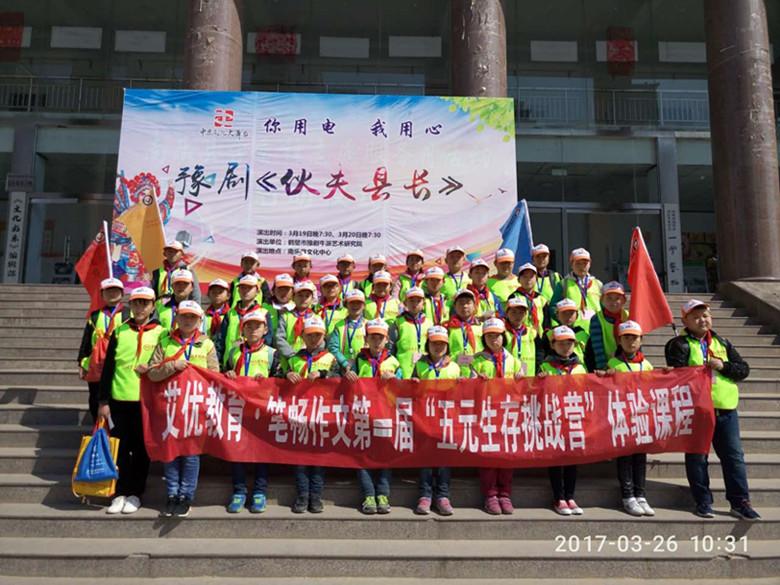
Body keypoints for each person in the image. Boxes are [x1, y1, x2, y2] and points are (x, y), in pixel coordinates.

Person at [665, 299, 759, 520]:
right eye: (696, 317)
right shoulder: (678, 344)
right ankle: (703, 501)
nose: (702, 320)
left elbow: (743, 369)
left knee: (734, 457)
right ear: (685, 321)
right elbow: (678, 375)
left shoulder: (722, 342)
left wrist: (722, 366)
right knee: (697, 458)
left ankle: (740, 502)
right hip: (697, 410)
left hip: (726, 409)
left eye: (705, 315)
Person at [147, 300, 219, 518]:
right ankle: (172, 493)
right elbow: (152, 373)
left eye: (192, 317)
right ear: (176, 318)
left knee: (190, 455)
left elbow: (215, 376)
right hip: (169, 408)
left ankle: (186, 495)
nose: (188, 320)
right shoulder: (165, 342)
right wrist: (172, 366)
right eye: (184, 316)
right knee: (170, 453)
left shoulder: (207, 344)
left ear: (199, 320)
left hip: (196, 409)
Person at [96, 286, 163, 515]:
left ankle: (136, 493)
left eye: (145, 303)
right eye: (136, 303)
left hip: (146, 403)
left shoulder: (162, 333)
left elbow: (165, 365)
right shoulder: (120, 330)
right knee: (121, 448)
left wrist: (151, 368)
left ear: (153, 306)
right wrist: (103, 401)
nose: (140, 307)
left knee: (142, 449)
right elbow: (108, 368)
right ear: (130, 305)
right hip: (119, 400)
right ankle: (120, 493)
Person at [223, 310, 281, 514]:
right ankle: (239, 491)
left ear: (265, 329)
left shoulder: (273, 353)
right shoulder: (234, 352)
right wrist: (228, 374)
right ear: (243, 329)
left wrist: (268, 382)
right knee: (236, 451)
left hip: (262, 410)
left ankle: (259, 491)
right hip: (237, 410)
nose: (253, 330)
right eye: (249, 326)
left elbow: (280, 381)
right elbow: (222, 375)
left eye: (258, 326)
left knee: (261, 452)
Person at [284, 315, 341, 513]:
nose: (314, 339)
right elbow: (277, 377)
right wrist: (287, 374)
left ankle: (315, 497)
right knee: (300, 460)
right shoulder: (294, 359)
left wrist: (324, 374)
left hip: (322, 416)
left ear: (324, 336)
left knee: (318, 461)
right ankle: (302, 496)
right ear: (302, 336)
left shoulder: (331, 358)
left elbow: (341, 377)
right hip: (298, 415)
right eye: (309, 335)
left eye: (317, 335)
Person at [345, 319, 402, 514]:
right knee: (362, 455)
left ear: (386, 340)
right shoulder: (357, 360)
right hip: (363, 414)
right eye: (373, 337)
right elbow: (345, 380)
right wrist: (348, 376)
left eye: (380, 338)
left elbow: (403, 385)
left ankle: (383, 493)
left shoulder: (394, 361)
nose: (377, 342)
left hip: (386, 414)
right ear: (366, 339)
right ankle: (368, 494)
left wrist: (395, 379)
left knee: (386, 455)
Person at [472, 318, 524, 515]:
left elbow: (523, 387)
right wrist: (476, 380)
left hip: (508, 414)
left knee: (507, 456)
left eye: (498, 335)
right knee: (488, 456)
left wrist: (521, 380)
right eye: (490, 336)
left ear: (504, 337)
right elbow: (466, 385)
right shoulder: (476, 360)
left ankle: (505, 493)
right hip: (486, 414)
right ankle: (491, 495)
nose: (494, 339)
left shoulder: (514, 360)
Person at [604, 320, 656, 517]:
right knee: (625, 457)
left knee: (640, 457)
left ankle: (640, 495)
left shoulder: (647, 364)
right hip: (623, 418)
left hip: (642, 417)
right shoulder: (613, 363)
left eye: (634, 338)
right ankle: (628, 496)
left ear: (641, 340)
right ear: (619, 340)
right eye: (626, 338)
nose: (630, 342)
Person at [538, 325, 588, 516]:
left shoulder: (580, 368)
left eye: (569, 343)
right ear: (553, 345)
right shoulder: (545, 367)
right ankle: (559, 497)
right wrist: (540, 380)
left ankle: (570, 496)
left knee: (572, 459)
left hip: (574, 418)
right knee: (556, 459)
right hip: (554, 420)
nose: (565, 347)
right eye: (561, 343)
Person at [411, 325, 459, 515]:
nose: (438, 347)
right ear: (427, 345)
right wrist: (413, 384)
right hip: (425, 420)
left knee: (444, 460)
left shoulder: (454, 367)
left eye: (442, 344)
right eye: (434, 343)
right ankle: (425, 495)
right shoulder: (420, 365)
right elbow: (410, 391)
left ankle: (443, 496)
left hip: (447, 420)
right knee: (425, 459)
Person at [77, 277, 126, 422]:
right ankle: (97, 428)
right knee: (95, 398)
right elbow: (86, 340)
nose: (112, 293)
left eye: (115, 290)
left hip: (119, 363)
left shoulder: (128, 314)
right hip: (97, 364)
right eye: (108, 291)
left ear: (122, 293)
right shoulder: (95, 315)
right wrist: (81, 361)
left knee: (116, 400)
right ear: (102, 294)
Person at [218, 274, 263, 366]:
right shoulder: (230, 313)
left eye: (249, 288)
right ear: (238, 290)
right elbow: (220, 339)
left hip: (255, 363)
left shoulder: (263, 313)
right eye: (242, 288)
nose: (245, 291)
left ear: (257, 291)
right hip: (230, 363)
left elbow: (268, 340)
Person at [584, 281, 629, 372]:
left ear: (624, 300)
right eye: (609, 298)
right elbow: (598, 348)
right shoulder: (596, 319)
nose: (613, 302)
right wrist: (603, 368)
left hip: (626, 365)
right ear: (601, 300)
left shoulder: (629, 316)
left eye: (617, 298)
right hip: (605, 366)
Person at [389, 287, 430, 378]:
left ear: (423, 303)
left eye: (418, 301)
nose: (415, 304)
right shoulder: (398, 323)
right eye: (411, 301)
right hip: (403, 373)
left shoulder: (429, 323)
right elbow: (391, 348)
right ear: (405, 303)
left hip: (424, 372)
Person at [550, 248, 602, 321]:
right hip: (573, 327)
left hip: (596, 325)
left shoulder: (598, 284)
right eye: (578, 263)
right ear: (572, 264)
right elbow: (553, 308)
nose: (581, 267)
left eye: (585, 263)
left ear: (590, 264)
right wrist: (564, 321)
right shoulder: (563, 284)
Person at [275, 281, 317, 365]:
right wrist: (292, 355)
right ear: (293, 297)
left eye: (307, 296)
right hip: (288, 359)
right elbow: (279, 338)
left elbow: (320, 341)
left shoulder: (316, 318)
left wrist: (312, 354)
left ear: (312, 299)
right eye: (300, 295)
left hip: (309, 359)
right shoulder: (285, 316)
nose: (303, 299)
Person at [444, 289, 483, 377]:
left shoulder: (482, 327)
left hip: (479, 373)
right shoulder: (447, 327)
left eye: (468, 303)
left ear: (474, 306)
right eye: (461, 303)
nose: (465, 306)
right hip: (456, 373)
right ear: (455, 306)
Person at [328, 289, 367, 374]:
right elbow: (332, 347)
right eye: (352, 303)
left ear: (364, 305)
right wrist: (344, 363)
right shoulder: (339, 326)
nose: (355, 305)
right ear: (346, 305)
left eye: (359, 303)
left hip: (364, 366)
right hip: (344, 369)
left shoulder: (368, 325)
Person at [541, 299, 589, 364]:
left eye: (571, 313)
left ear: (577, 315)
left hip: (580, 369)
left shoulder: (583, 334)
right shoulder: (549, 334)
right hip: (555, 369)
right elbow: (542, 356)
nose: (568, 316)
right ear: (557, 315)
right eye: (564, 313)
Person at [503, 296, 542, 376]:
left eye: (521, 312)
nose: (517, 316)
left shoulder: (533, 333)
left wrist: (538, 370)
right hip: (509, 376)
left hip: (529, 376)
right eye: (514, 312)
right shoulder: (502, 332)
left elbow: (539, 353)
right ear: (507, 313)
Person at [509, 262, 548, 338]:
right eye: (525, 277)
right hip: (522, 336)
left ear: (536, 279)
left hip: (540, 337)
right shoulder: (514, 297)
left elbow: (547, 321)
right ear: (519, 279)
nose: (528, 280)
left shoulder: (541, 298)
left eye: (531, 277)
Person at [262, 273, 295, 346]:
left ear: (293, 291)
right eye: (280, 289)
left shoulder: (297, 309)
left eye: (287, 289)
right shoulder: (264, 308)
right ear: (273, 290)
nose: (283, 292)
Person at [204, 278, 230, 345]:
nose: (217, 295)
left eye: (220, 292)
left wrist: (233, 347)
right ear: (208, 295)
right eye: (214, 292)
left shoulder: (231, 315)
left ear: (228, 295)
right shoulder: (203, 315)